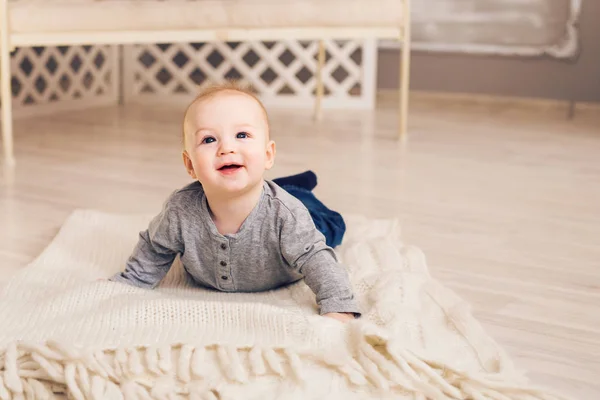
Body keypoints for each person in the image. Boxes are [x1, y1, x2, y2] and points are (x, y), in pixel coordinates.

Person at [109, 81, 360, 322]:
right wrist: (131, 281)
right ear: (190, 165)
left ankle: (298, 188)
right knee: (284, 194)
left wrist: (337, 305)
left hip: (303, 215)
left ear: (267, 154)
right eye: (209, 139)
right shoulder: (180, 211)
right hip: (269, 195)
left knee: (329, 226)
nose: (226, 148)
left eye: (242, 135)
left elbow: (315, 257)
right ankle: (290, 185)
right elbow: (155, 247)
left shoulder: (287, 216)